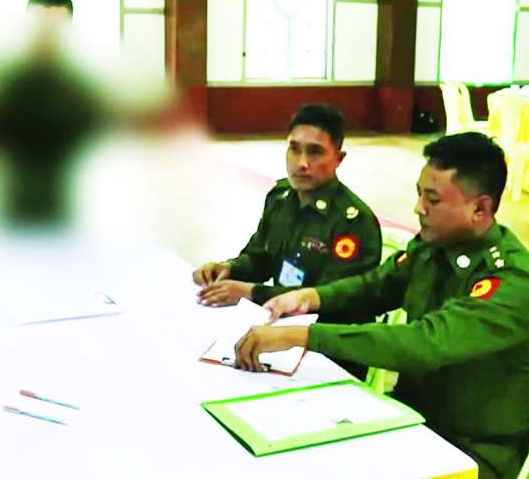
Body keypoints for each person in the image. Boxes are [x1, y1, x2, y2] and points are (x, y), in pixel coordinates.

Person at [233, 132, 529, 478]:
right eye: (419, 194)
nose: (418, 208)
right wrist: (312, 297)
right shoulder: (434, 245)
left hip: (471, 451)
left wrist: (303, 336)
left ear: (480, 209)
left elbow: (423, 343)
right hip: (410, 420)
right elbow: (376, 286)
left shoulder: (511, 280)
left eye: (432, 199)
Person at [193, 104, 381, 336]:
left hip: (329, 339)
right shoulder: (280, 198)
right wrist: (229, 269)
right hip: (281, 323)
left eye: (315, 152)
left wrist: (250, 293)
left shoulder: (352, 222)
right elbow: (259, 258)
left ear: (338, 159)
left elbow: (331, 301)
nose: (302, 163)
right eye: (294, 149)